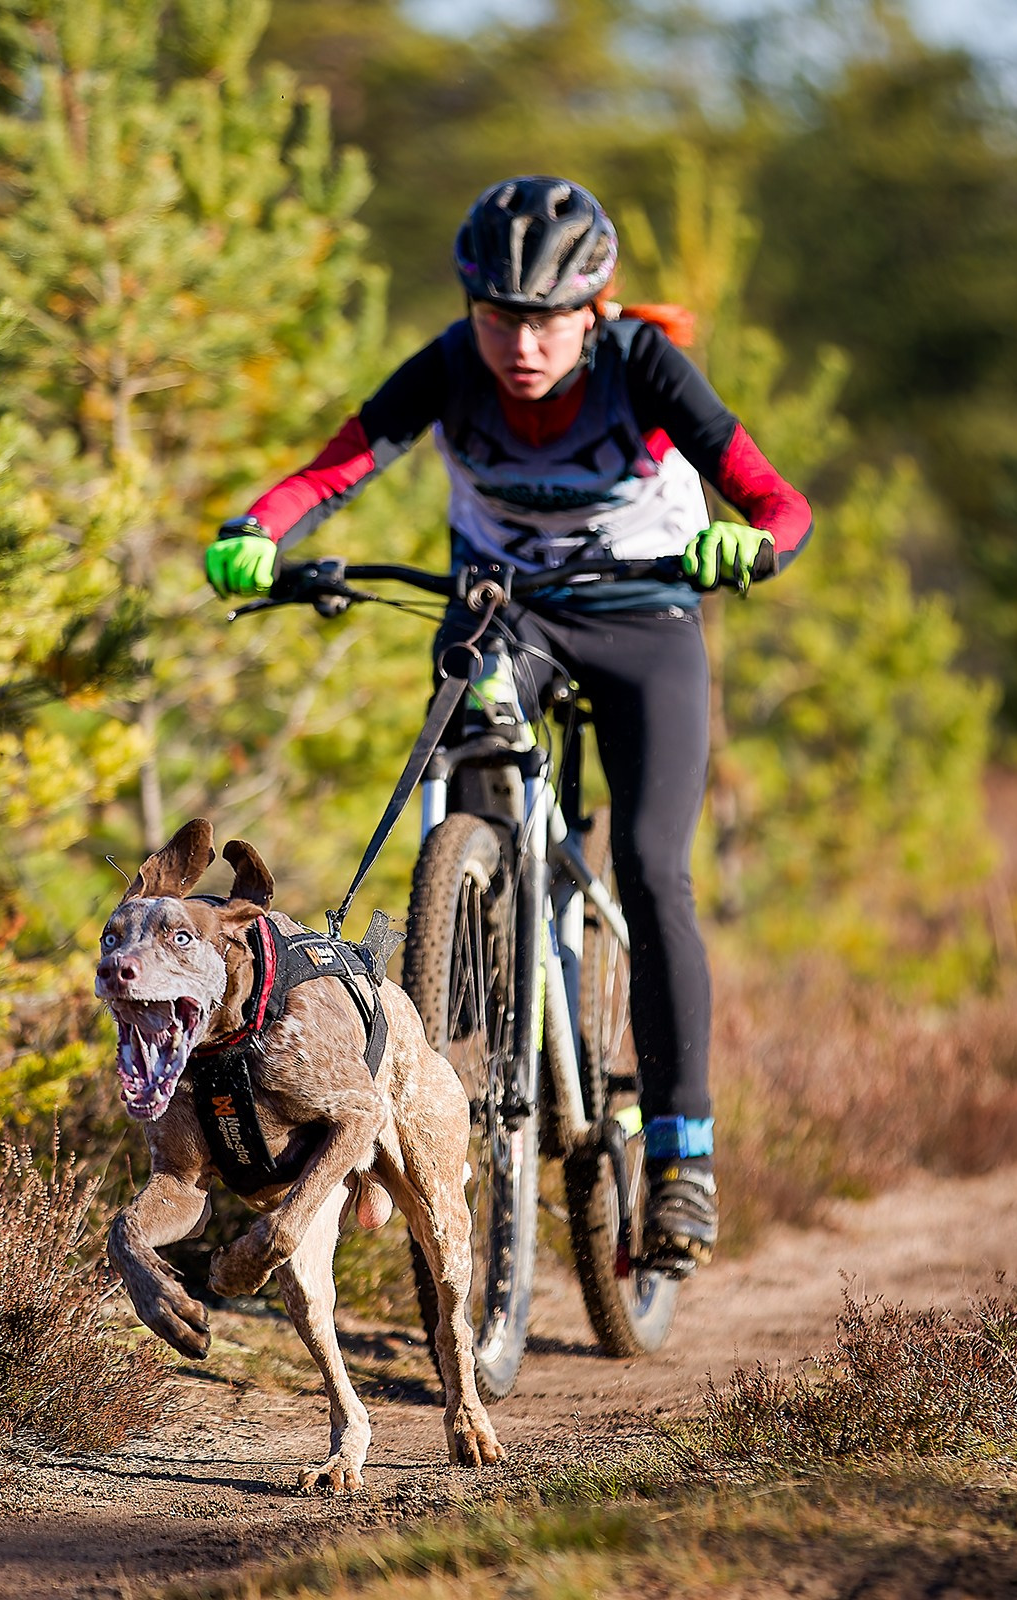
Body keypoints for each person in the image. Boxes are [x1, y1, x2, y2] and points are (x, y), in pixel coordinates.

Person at [203, 176, 812, 1273]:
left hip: (645, 615)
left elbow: (777, 499)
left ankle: (682, 1159)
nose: (521, 343)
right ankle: (474, 929)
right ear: (473, 310)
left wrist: (751, 542)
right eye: (499, 318)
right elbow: (339, 463)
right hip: (505, 613)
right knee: (463, 759)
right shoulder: (449, 366)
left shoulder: (642, 367)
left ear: (594, 309)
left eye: (546, 318)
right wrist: (258, 526)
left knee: (652, 865)